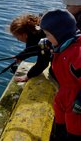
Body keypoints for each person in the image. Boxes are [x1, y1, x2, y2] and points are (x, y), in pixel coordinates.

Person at [40, 9, 81, 140]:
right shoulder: (63, 45)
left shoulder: (76, 54)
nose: (46, 38)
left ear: (59, 34)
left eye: (47, 35)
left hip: (75, 102)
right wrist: (49, 45)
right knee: (60, 126)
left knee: (74, 131)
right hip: (63, 96)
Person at [9, 14, 51, 82]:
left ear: (24, 34)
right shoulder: (37, 32)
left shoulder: (41, 40)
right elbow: (33, 49)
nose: (17, 39)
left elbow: (42, 62)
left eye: (17, 37)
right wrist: (21, 56)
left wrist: (28, 76)